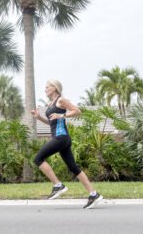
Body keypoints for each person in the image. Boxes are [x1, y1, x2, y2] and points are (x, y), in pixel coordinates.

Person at [31, 79, 103, 209]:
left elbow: (77, 111)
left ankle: (58, 185)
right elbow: (51, 122)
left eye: (47, 87)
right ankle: (94, 194)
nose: (45, 89)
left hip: (61, 137)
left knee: (38, 159)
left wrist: (62, 116)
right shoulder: (50, 104)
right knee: (73, 167)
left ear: (54, 88)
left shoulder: (60, 100)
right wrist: (39, 117)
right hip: (62, 138)